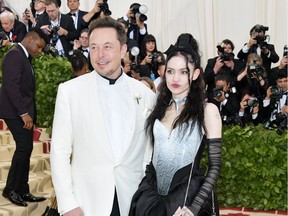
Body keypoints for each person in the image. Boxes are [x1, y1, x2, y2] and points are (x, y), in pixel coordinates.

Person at [50, 16, 156, 216]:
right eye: (94, 47)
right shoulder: (69, 92)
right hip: (87, 202)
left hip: (132, 200)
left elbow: (149, 153)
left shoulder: (146, 96)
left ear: (123, 49)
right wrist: (68, 204)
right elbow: (59, 151)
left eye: (107, 47)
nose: (100, 55)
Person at [129, 33, 222, 216]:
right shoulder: (159, 108)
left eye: (183, 72)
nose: (175, 78)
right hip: (151, 197)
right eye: (170, 71)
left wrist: (194, 208)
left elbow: (215, 166)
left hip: (187, 199)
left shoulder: (207, 111)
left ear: (195, 74)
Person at [0, 27, 49, 207]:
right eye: (39, 46)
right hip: (14, 113)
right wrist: (23, 114)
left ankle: (22, 189)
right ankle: (11, 189)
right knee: (23, 148)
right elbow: (11, 87)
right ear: (30, 39)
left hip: (22, 112)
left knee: (26, 149)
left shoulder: (23, 56)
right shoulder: (14, 55)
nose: (39, 51)